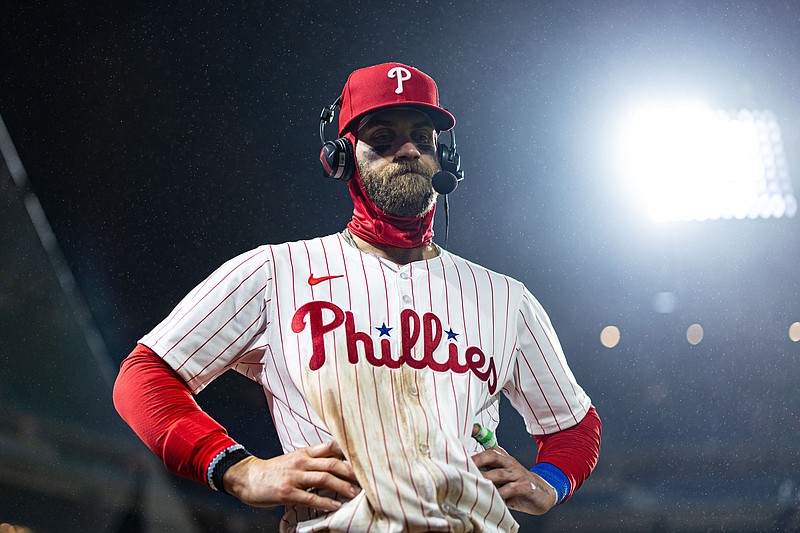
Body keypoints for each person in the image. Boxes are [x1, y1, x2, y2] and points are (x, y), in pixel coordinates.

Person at [113, 62, 602, 533]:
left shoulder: (504, 298)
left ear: (444, 158)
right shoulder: (276, 272)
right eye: (382, 138)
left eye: (423, 137)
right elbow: (145, 376)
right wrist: (240, 470)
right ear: (341, 157)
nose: (408, 150)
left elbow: (574, 426)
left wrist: (548, 483)